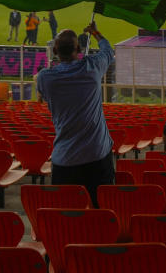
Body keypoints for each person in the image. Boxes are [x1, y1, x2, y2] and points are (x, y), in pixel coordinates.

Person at [36, 22, 115, 206]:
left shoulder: (45, 78)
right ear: (78, 48)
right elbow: (108, 50)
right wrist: (95, 31)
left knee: (67, 220)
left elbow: (46, 96)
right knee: (100, 212)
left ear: (55, 50)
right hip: (97, 155)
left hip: (65, 160)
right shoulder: (92, 67)